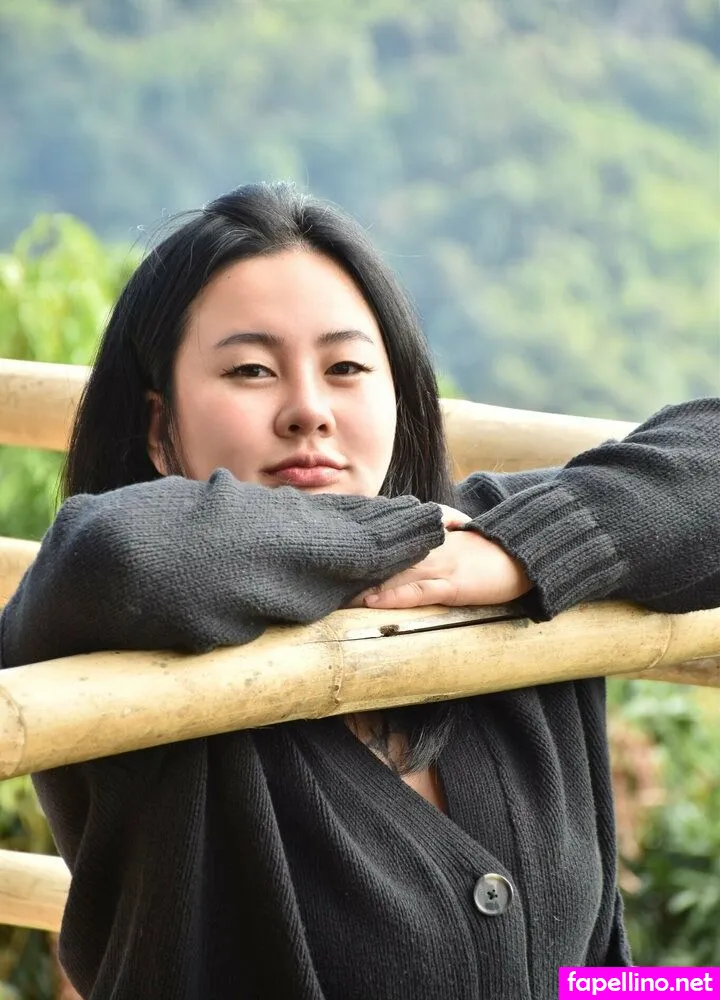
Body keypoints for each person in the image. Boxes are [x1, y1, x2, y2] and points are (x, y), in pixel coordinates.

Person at [0, 182, 717, 1000]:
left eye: (345, 367)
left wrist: (527, 548)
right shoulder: (112, 616)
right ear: (162, 431)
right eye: (250, 370)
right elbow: (121, 554)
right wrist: (404, 538)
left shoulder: (495, 552)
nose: (308, 410)